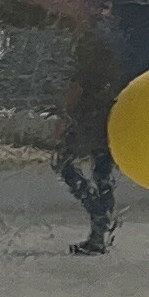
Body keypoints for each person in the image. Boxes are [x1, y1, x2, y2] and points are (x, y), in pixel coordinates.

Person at [55, 20, 122, 255]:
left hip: (85, 118)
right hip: (108, 117)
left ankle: (97, 212)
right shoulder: (113, 47)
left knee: (63, 163)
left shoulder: (88, 44)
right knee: (103, 172)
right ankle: (99, 234)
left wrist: (64, 118)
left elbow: (77, 85)